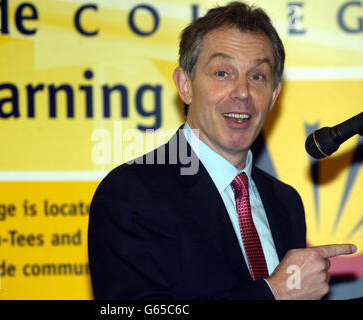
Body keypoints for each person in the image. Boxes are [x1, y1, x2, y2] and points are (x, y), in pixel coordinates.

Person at [88, 1, 357, 300]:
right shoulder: (131, 194)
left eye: (257, 77)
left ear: (274, 95)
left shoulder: (286, 203)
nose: (242, 92)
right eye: (222, 73)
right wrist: (274, 293)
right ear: (185, 85)